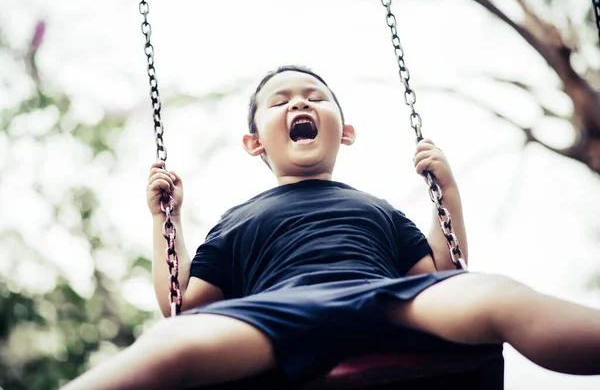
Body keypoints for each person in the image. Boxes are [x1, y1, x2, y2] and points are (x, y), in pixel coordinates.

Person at [62, 66, 600, 390]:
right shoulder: (238, 220)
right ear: (255, 143)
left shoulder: (379, 209)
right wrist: (167, 220)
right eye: (281, 100)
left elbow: (445, 271)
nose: (300, 101)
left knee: (499, 296)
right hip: (273, 314)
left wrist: (448, 194)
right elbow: (183, 301)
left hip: (390, 298)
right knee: (169, 345)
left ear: (345, 132)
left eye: (316, 97)